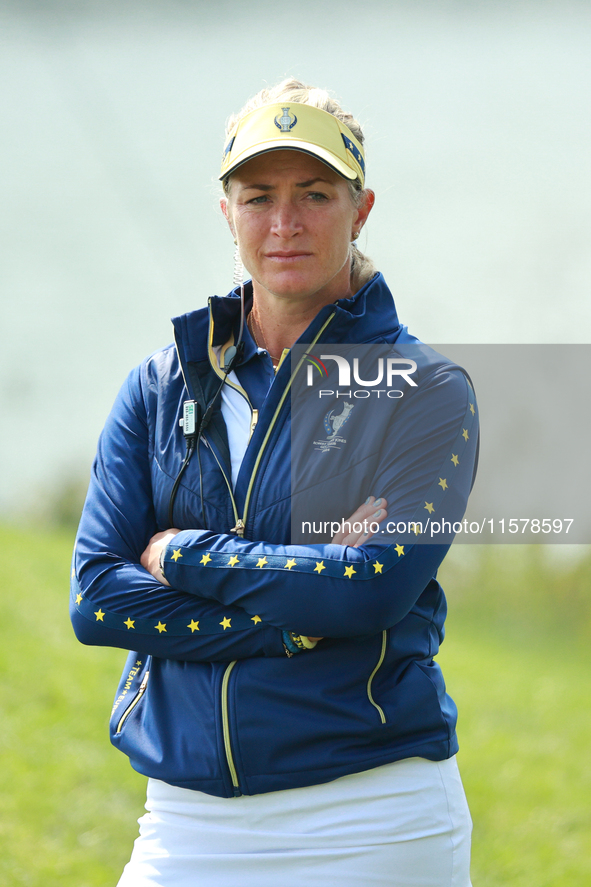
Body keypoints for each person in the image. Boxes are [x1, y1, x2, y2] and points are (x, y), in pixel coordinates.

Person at [71, 78, 478, 886]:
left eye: (315, 194)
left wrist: (183, 556)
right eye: (258, 196)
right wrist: (293, 619)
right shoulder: (157, 387)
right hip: (185, 816)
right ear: (226, 211)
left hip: (373, 810)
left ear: (360, 210)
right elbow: (96, 598)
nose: (284, 223)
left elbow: (367, 593)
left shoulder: (425, 391)